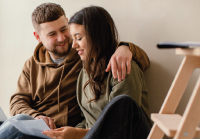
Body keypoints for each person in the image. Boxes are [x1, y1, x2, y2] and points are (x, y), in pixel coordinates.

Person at [0, 3, 150, 139]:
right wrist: (37, 117)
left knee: (19, 125)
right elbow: (17, 100)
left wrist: (127, 48)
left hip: (63, 132)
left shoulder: (86, 60)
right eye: (53, 34)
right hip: (42, 129)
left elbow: (122, 115)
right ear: (39, 37)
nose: (65, 40)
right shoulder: (34, 65)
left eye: (66, 31)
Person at [40, 6, 152, 139]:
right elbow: (86, 120)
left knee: (123, 101)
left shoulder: (123, 66)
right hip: (95, 135)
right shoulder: (83, 73)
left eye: (79, 38)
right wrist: (69, 133)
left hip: (130, 135)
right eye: (73, 38)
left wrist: (77, 134)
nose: (73, 45)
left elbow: (122, 124)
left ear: (97, 36)